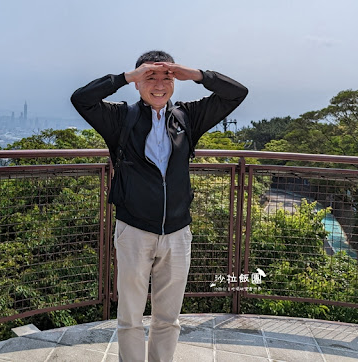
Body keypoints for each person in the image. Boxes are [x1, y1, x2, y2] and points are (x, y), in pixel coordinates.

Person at [71, 50, 248, 362]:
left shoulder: (186, 117)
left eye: (165, 76)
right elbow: (81, 99)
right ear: (138, 84)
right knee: (130, 318)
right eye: (149, 76)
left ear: (175, 82)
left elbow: (236, 93)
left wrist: (195, 73)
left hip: (178, 234)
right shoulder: (119, 118)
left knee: (168, 318)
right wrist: (125, 76)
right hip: (134, 231)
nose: (158, 84)